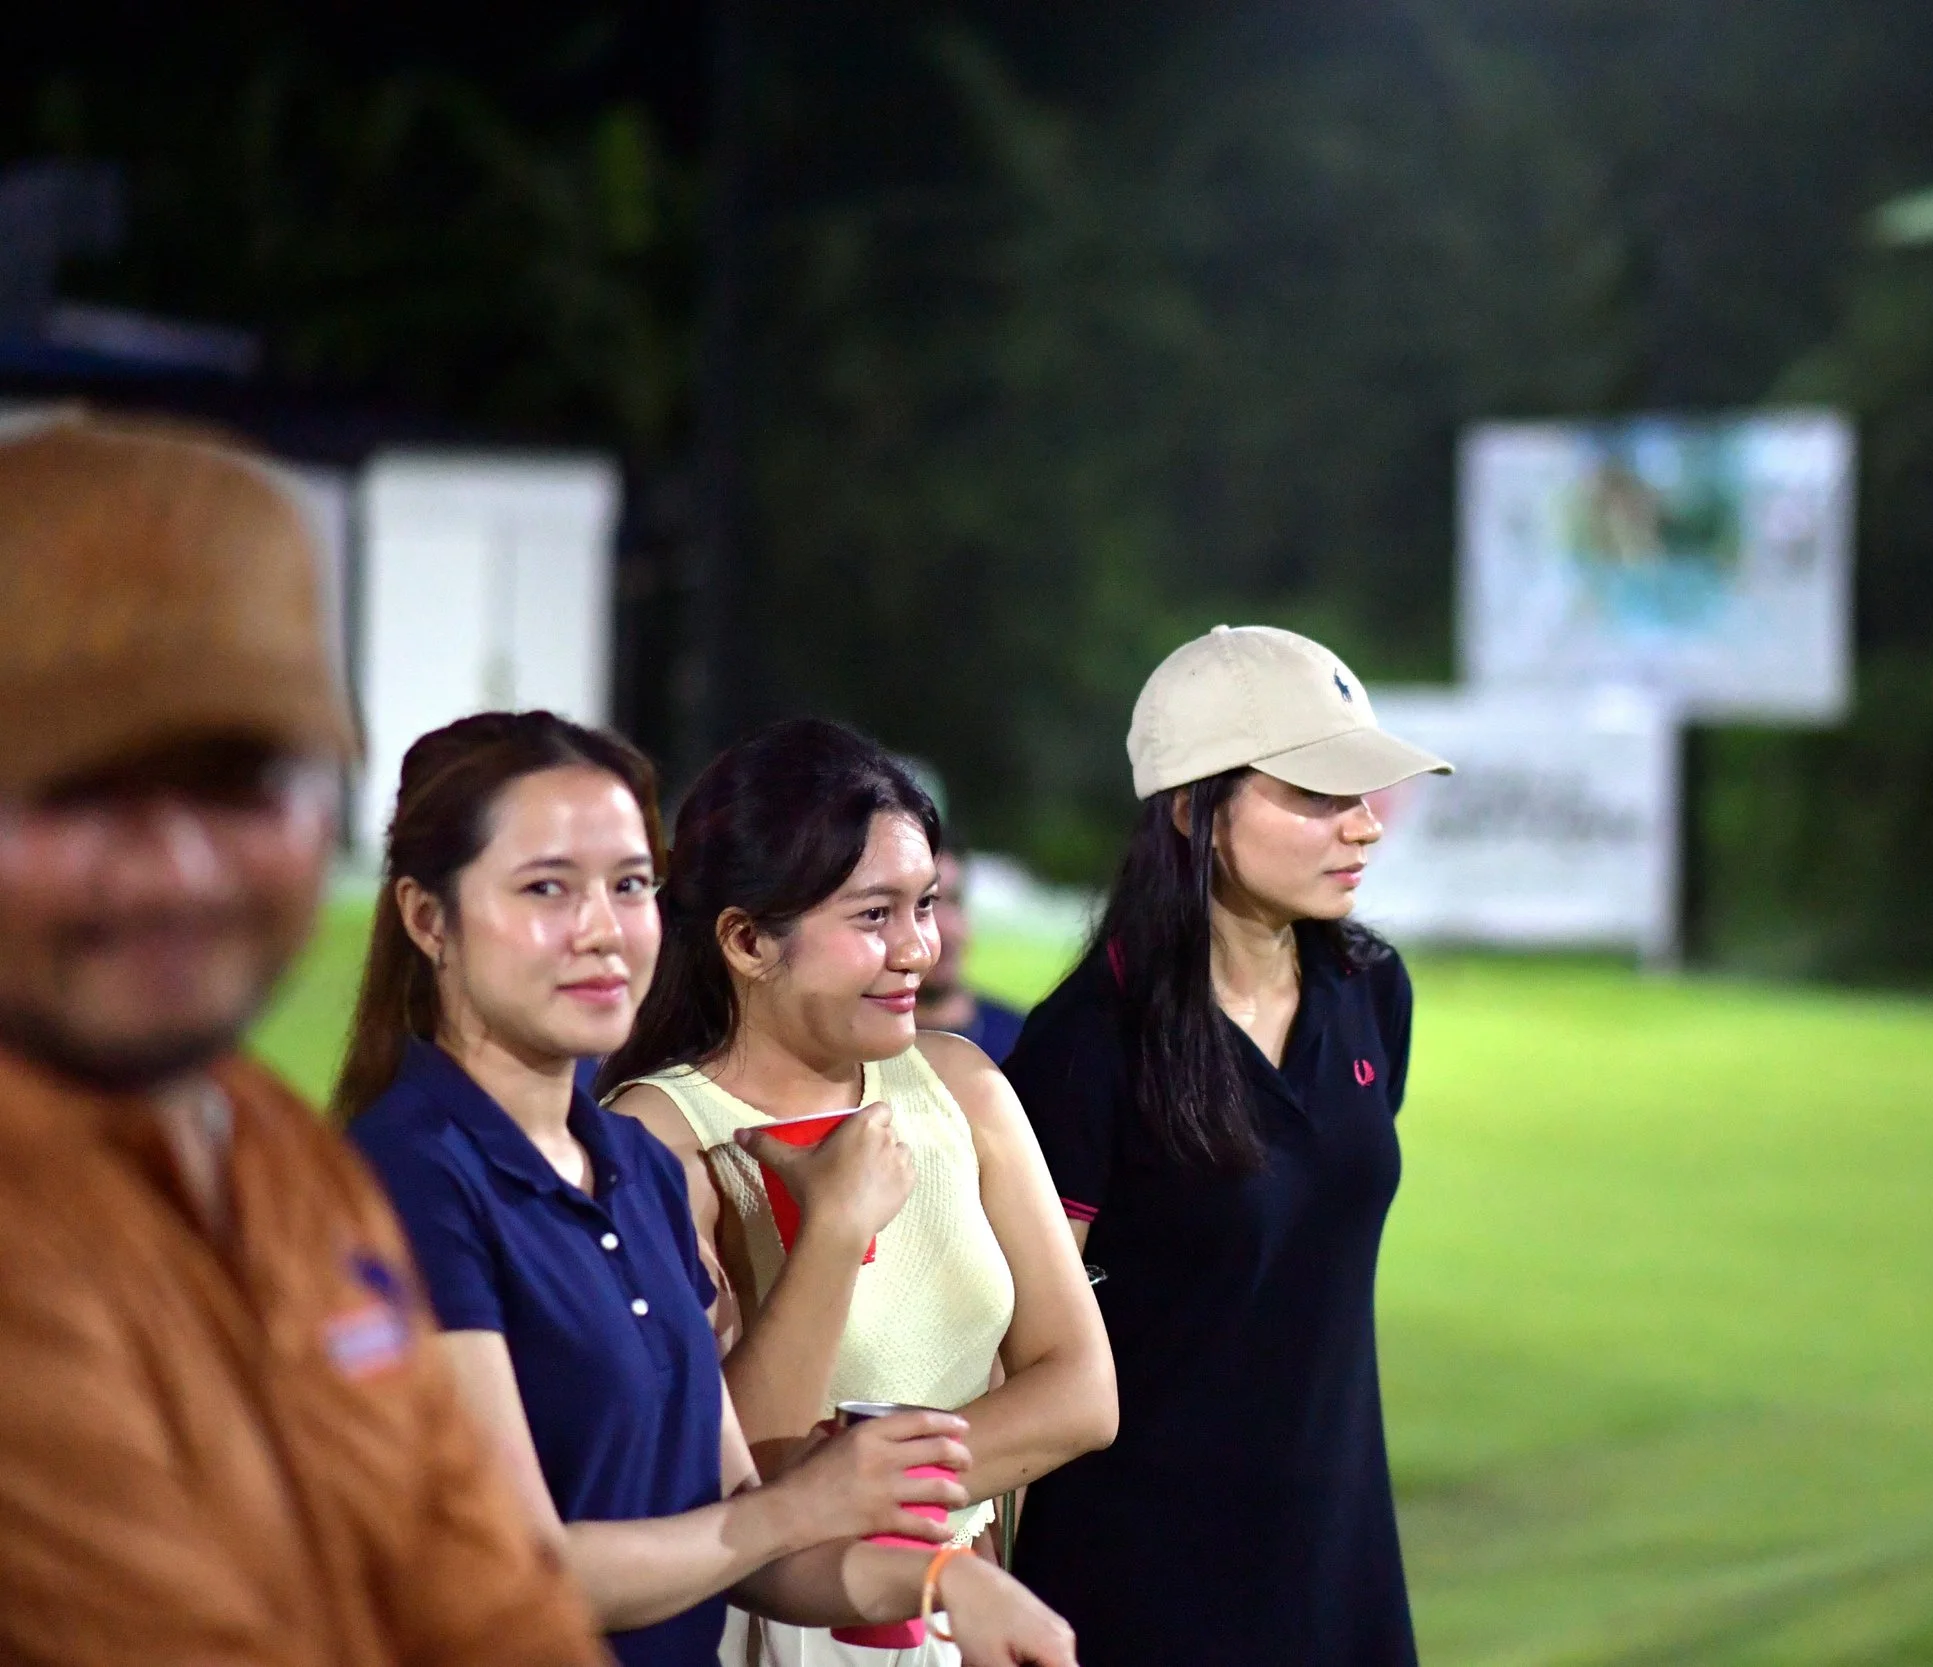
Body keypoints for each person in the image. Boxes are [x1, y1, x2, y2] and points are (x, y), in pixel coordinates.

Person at [0, 416, 607, 1667]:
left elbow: (490, 1589)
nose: (173, 868)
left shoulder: (281, 1150)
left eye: (236, 782)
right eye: (79, 788)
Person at [340, 711, 1080, 1667]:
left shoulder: (630, 1169)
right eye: (547, 889)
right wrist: (797, 1507)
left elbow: (741, 1527)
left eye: (630, 884)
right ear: (428, 918)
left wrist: (945, 1581)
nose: (603, 930)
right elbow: (515, 1567)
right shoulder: (409, 1176)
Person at [599, 717, 1117, 1667]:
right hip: (774, 1629)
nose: (918, 948)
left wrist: (865, 1478)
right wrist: (833, 1227)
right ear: (749, 940)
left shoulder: (962, 1088)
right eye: (874, 916)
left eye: (924, 905)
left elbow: (1084, 1392)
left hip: (964, 1611)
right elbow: (737, 1477)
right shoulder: (660, 1141)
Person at [1002, 624, 1451, 1667]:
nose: (1363, 828)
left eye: (1366, 794)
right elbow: (1014, 1351)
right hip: (1144, 1582)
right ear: (1191, 808)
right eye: (1317, 796)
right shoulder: (1085, 1045)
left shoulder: (1370, 990)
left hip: (1342, 1562)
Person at [920, 849, 1025, 1062]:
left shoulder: (1022, 1042)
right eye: (924, 903)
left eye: (955, 900)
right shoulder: (852, 1056)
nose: (946, 926)